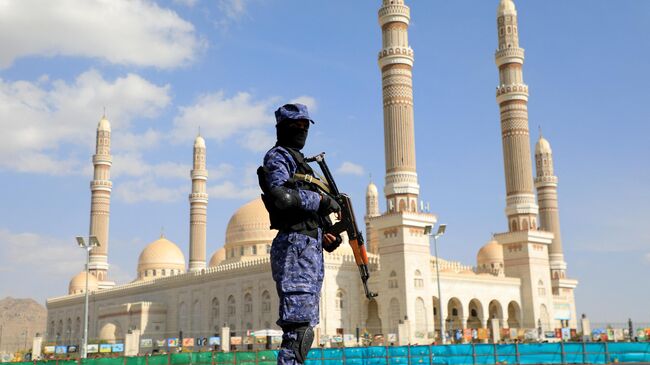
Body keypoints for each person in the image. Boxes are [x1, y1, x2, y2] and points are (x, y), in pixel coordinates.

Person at [258, 103, 342, 365]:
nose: (302, 130)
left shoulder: (304, 166)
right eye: (296, 126)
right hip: (295, 250)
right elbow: (282, 197)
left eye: (305, 126)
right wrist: (321, 201)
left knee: (305, 329)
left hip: (308, 250)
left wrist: (328, 233)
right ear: (282, 128)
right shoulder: (278, 157)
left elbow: (306, 206)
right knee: (297, 331)